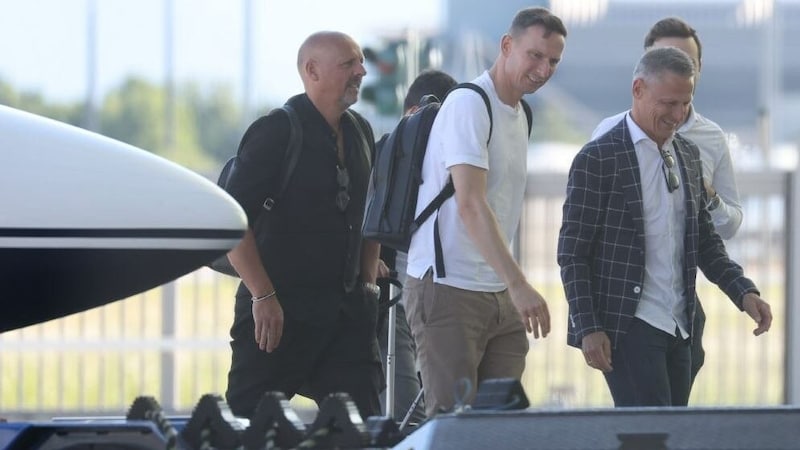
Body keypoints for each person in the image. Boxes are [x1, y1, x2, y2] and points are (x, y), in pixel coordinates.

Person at [557, 46, 772, 407]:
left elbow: (704, 240)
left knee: (669, 432)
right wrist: (588, 326)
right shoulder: (597, 158)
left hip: (680, 324)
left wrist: (743, 291)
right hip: (628, 324)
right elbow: (572, 252)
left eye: (685, 103)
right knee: (652, 435)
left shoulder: (688, 154)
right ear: (638, 89)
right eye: (669, 103)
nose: (679, 115)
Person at [404, 7, 566, 417]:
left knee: (501, 422)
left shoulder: (520, 113)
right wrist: (519, 283)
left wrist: (508, 286)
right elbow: (470, 202)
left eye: (553, 61)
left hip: (496, 292)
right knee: (451, 426)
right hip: (448, 288)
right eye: (535, 55)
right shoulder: (469, 103)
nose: (544, 69)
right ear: (507, 46)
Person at [223, 30, 383, 419]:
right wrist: (263, 296)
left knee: (365, 430)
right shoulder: (276, 131)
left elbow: (369, 214)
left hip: (344, 321)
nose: (362, 70)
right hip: (277, 318)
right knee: (249, 428)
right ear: (312, 70)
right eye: (349, 63)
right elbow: (229, 220)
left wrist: (366, 285)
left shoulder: (361, 131)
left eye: (360, 61)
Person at [591, 17, 743, 387]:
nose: (675, 67)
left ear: (698, 70)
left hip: (683, 309)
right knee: (648, 427)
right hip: (630, 314)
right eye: (663, 58)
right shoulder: (607, 140)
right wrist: (590, 324)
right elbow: (579, 241)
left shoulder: (705, 142)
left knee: (674, 424)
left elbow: (718, 232)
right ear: (642, 76)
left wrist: (708, 198)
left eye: (685, 61)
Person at [376, 69, 458, 423]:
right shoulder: (386, 151)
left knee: (434, 401)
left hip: (437, 289)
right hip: (394, 291)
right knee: (405, 407)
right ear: (414, 113)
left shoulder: (453, 157)